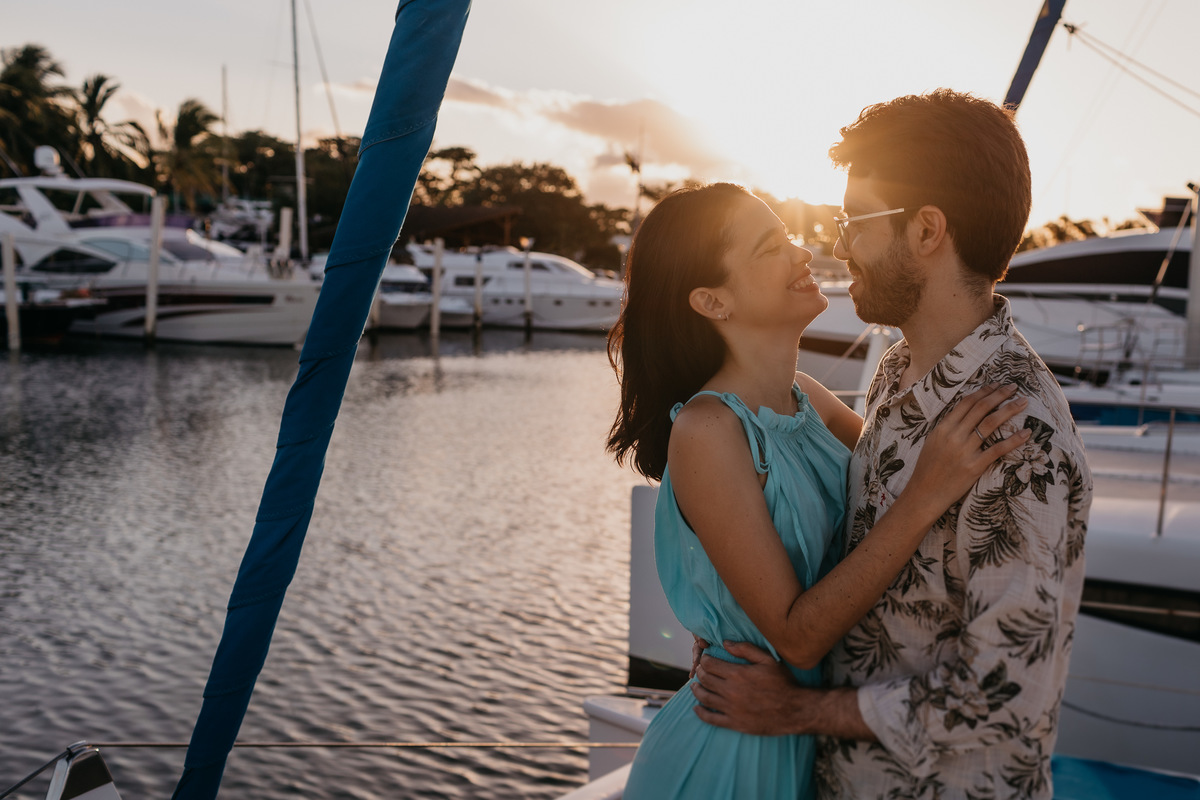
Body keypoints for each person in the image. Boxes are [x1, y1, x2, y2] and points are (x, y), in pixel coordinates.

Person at [691, 90, 1093, 800]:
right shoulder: (900, 372)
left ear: (928, 230)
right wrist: (727, 614)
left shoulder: (1016, 434)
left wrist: (797, 712)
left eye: (854, 221)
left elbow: (1007, 699)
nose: (839, 244)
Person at [605, 180, 1031, 799]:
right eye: (769, 247)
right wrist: (923, 495)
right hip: (730, 756)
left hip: (806, 736)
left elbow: (909, 482)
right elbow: (796, 633)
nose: (803, 253)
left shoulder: (812, 403)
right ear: (712, 301)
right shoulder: (708, 429)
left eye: (788, 235)